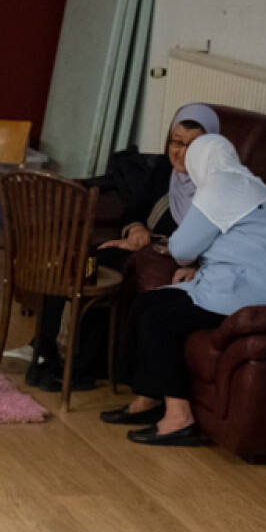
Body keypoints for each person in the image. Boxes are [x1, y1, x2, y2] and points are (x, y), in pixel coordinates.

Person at [28, 103, 220, 391]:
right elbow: (134, 209)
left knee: (108, 269)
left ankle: (82, 367)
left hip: (179, 256)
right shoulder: (165, 170)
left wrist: (196, 265)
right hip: (143, 244)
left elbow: (223, 238)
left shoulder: (218, 185)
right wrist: (136, 229)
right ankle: (46, 354)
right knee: (79, 263)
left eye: (192, 145)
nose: (181, 153)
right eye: (176, 143)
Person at [103, 133, 266, 446]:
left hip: (245, 292)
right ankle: (148, 398)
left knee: (158, 319)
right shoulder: (252, 184)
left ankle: (179, 417)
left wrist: (192, 261)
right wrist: (197, 269)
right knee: (148, 303)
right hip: (246, 282)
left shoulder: (219, 186)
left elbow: (182, 249)